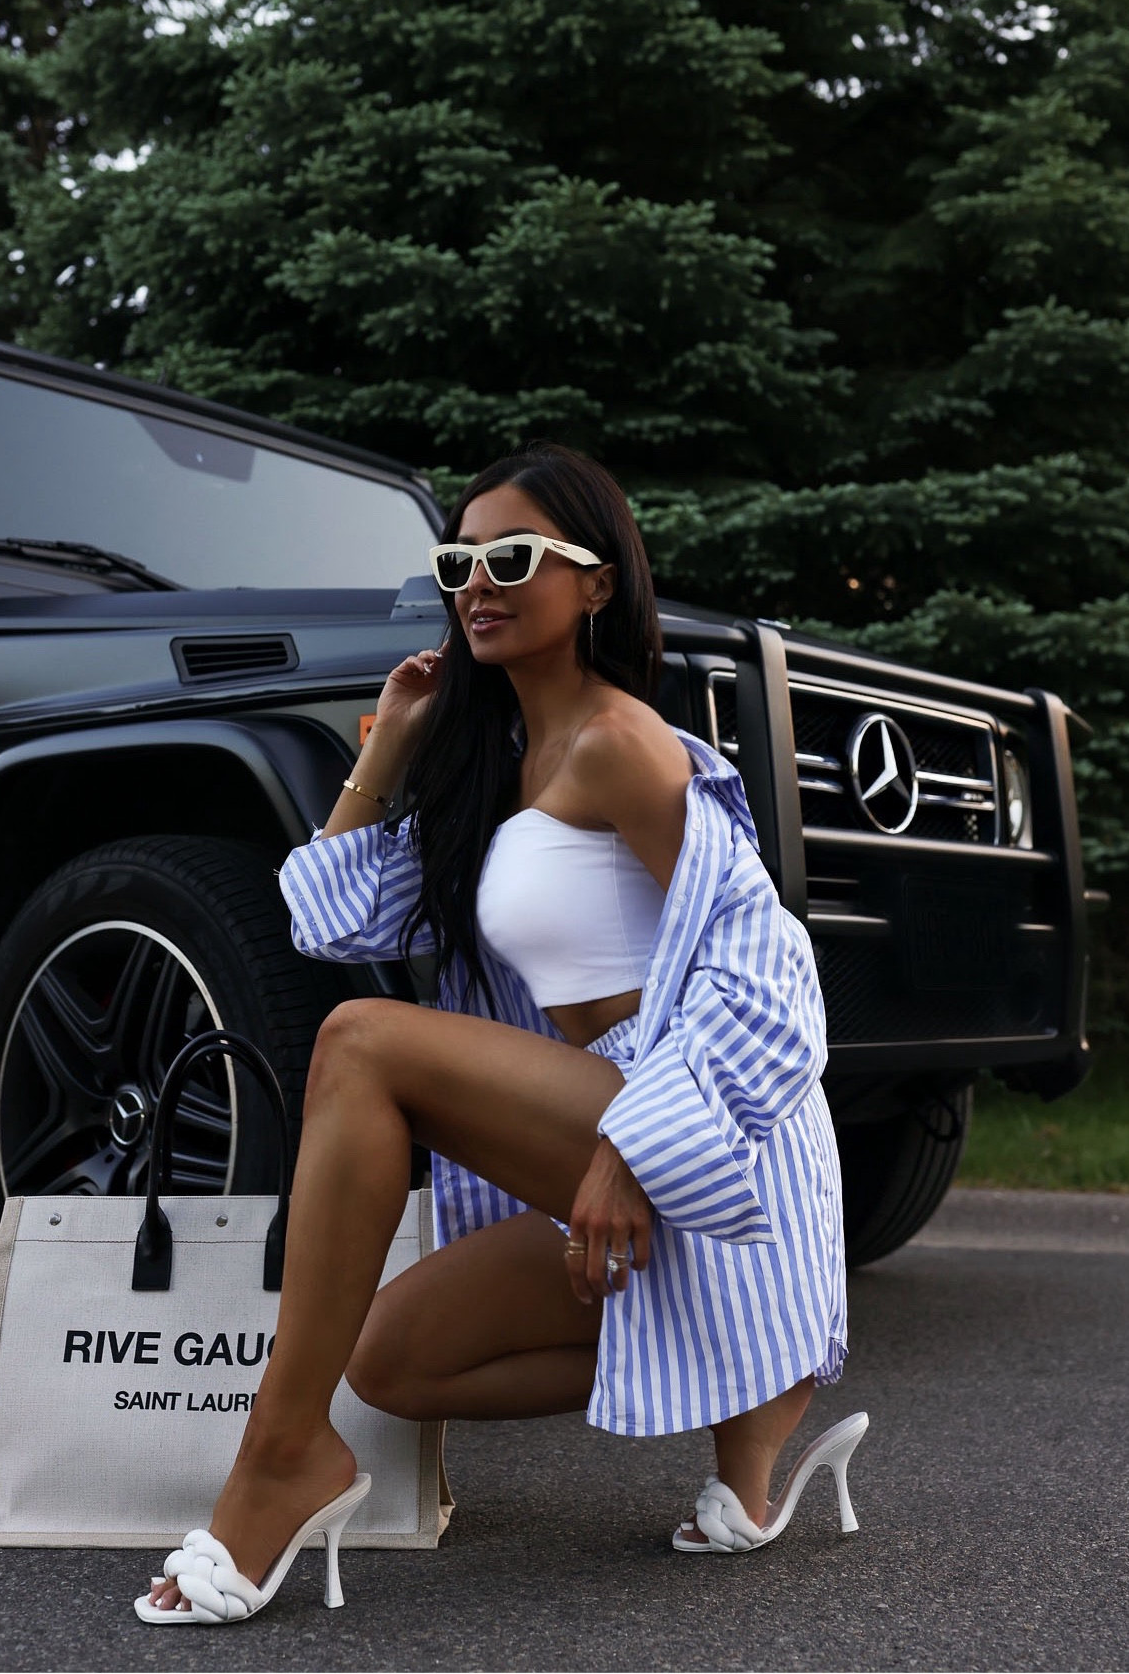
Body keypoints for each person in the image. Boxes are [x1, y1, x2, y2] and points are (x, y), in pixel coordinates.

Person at [136, 442, 865, 1626]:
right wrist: (390, 745)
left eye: (512, 556)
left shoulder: (624, 745)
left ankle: (276, 1458)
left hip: (707, 1130)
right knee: (391, 1361)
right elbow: (331, 917)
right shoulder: (496, 760)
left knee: (364, 1044)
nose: (477, 579)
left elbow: (773, 975)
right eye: (458, 559)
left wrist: (634, 1145)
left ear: (595, 584)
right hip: (592, 1119)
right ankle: (754, 1373)